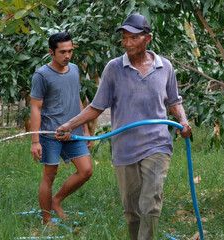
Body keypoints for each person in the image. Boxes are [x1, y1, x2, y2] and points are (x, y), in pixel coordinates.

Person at [55, 14, 192, 239]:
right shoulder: (114, 68)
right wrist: (70, 125)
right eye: (124, 38)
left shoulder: (164, 66)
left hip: (156, 144)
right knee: (132, 210)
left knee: (150, 203)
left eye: (133, 38)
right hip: (124, 147)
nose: (127, 43)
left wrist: (183, 122)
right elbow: (96, 107)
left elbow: (174, 102)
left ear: (147, 38)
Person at [30, 32, 93, 225]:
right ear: (51, 52)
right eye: (63, 52)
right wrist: (35, 141)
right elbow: (35, 108)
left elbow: (78, 101)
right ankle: (46, 220)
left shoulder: (74, 69)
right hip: (51, 134)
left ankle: (56, 200)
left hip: (74, 132)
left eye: (70, 51)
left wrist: (86, 131)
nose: (67, 56)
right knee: (50, 175)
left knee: (86, 171)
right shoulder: (42, 75)